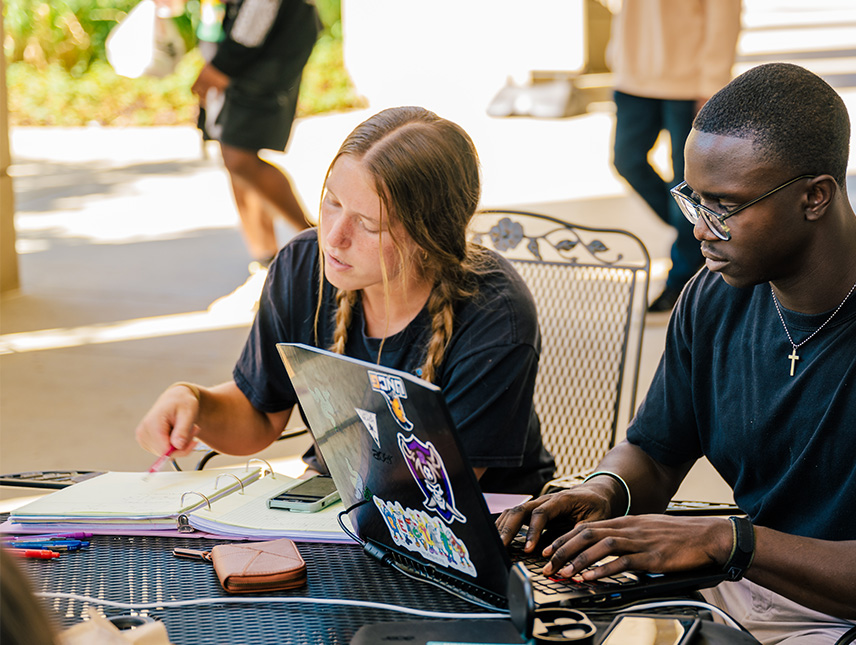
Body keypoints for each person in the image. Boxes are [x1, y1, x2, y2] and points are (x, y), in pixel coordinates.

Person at [497, 63, 856, 643]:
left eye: (723, 206)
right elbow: (654, 452)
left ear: (815, 197)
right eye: (692, 199)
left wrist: (729, 540)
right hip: (749, 588)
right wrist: (600, 492)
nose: (700, 229)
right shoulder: (714, 297)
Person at [136, 107, 555, 496]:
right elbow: (260, 414)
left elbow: (436, 494)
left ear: (429, 238)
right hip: (338, 501)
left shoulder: (495, 313)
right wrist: (195, 403)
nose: (334, 236)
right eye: (332, 202)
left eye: (369, 224)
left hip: (474, 526)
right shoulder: (303, 266)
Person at [607, 0, 742, 312]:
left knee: (688, 180)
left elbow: (724, 12)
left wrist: (713, 82)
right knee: (627, 161)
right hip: (632, 73)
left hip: (689, 79)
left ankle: (681, 277)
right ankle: (698, 235)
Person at [192, 0, 320, 273]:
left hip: (264, 46)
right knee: (234, 153)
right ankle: (266, 264)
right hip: (233, 36)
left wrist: (224, 65)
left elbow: (261, 9)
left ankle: (317, 243)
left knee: (239, 156)